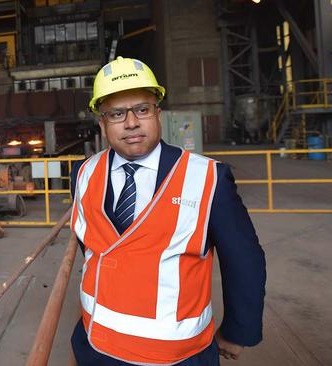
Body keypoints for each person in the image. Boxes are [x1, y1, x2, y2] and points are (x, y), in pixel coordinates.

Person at [70, 56, 266, 366]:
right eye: (117, 113)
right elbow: (94, 245)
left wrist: (238, 330)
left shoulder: (208, 178)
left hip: (178, 356)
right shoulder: (83, 174)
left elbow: (243, 259)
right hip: (94, 344)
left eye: (142, 109)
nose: (131, 122)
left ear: (158, 113)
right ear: (102, 122)